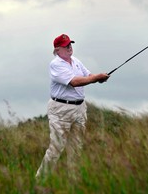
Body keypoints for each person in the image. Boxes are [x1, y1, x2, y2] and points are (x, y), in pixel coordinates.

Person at [35, 34, 109, 181]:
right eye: (66, 45)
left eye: (70, 44)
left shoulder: (76, 61)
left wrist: (99, 78)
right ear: (57, 50)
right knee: (56, 147)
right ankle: (39, 181)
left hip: (80, 108)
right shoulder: (55, 64)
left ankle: (73, 183)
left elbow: (88, 76)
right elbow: (74, 82)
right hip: (61, 109)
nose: (69, 47)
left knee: (76, 148)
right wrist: (96, 78)